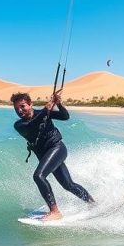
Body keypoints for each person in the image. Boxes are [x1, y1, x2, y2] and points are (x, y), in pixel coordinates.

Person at [11, 91, 94, 221]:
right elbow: (32, 125)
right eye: (17, 109)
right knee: (68, 185)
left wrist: (58, 104)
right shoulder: (19, 125)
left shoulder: (43, 113)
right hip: (46, 154)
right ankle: (93, 203)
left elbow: (65, 116)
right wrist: (46, 109)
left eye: (23, 106)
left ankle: (55, 212)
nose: (20, 111)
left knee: (38, 176)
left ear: (30, 104)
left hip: (57, 148)